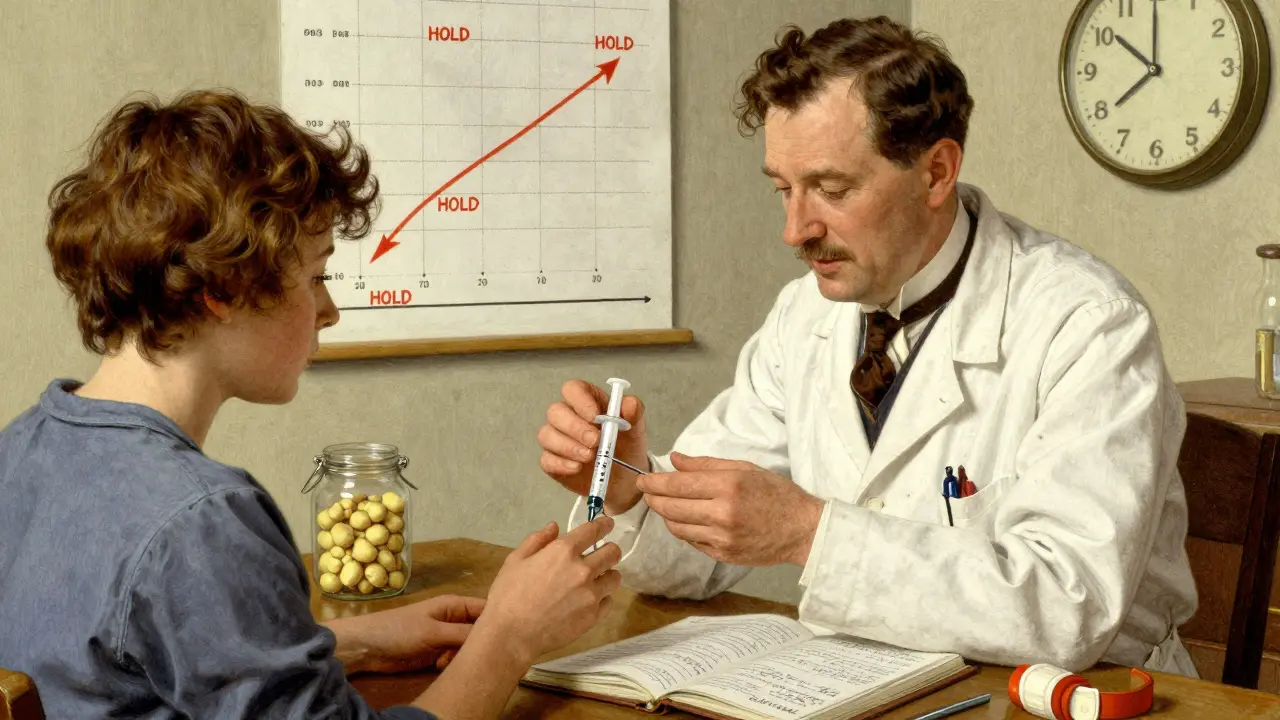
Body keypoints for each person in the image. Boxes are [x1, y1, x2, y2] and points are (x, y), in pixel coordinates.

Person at [536, 16, 1199, 675]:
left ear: (936, 172)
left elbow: (1066, 607)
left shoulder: (1090, 325)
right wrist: (627, 483)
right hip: (872, 684)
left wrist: (808, 532)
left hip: (1085, 698)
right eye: (783, 189)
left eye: (830, 188)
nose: (795, 230)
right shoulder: (805, 316)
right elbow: (703, 545)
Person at [0, 89, 623, 720]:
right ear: (223, 287)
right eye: (316, 276)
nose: (329, 311)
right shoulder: (202, 524)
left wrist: (347, 642)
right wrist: (509, 636)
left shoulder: (22, 448)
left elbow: (122, 663)